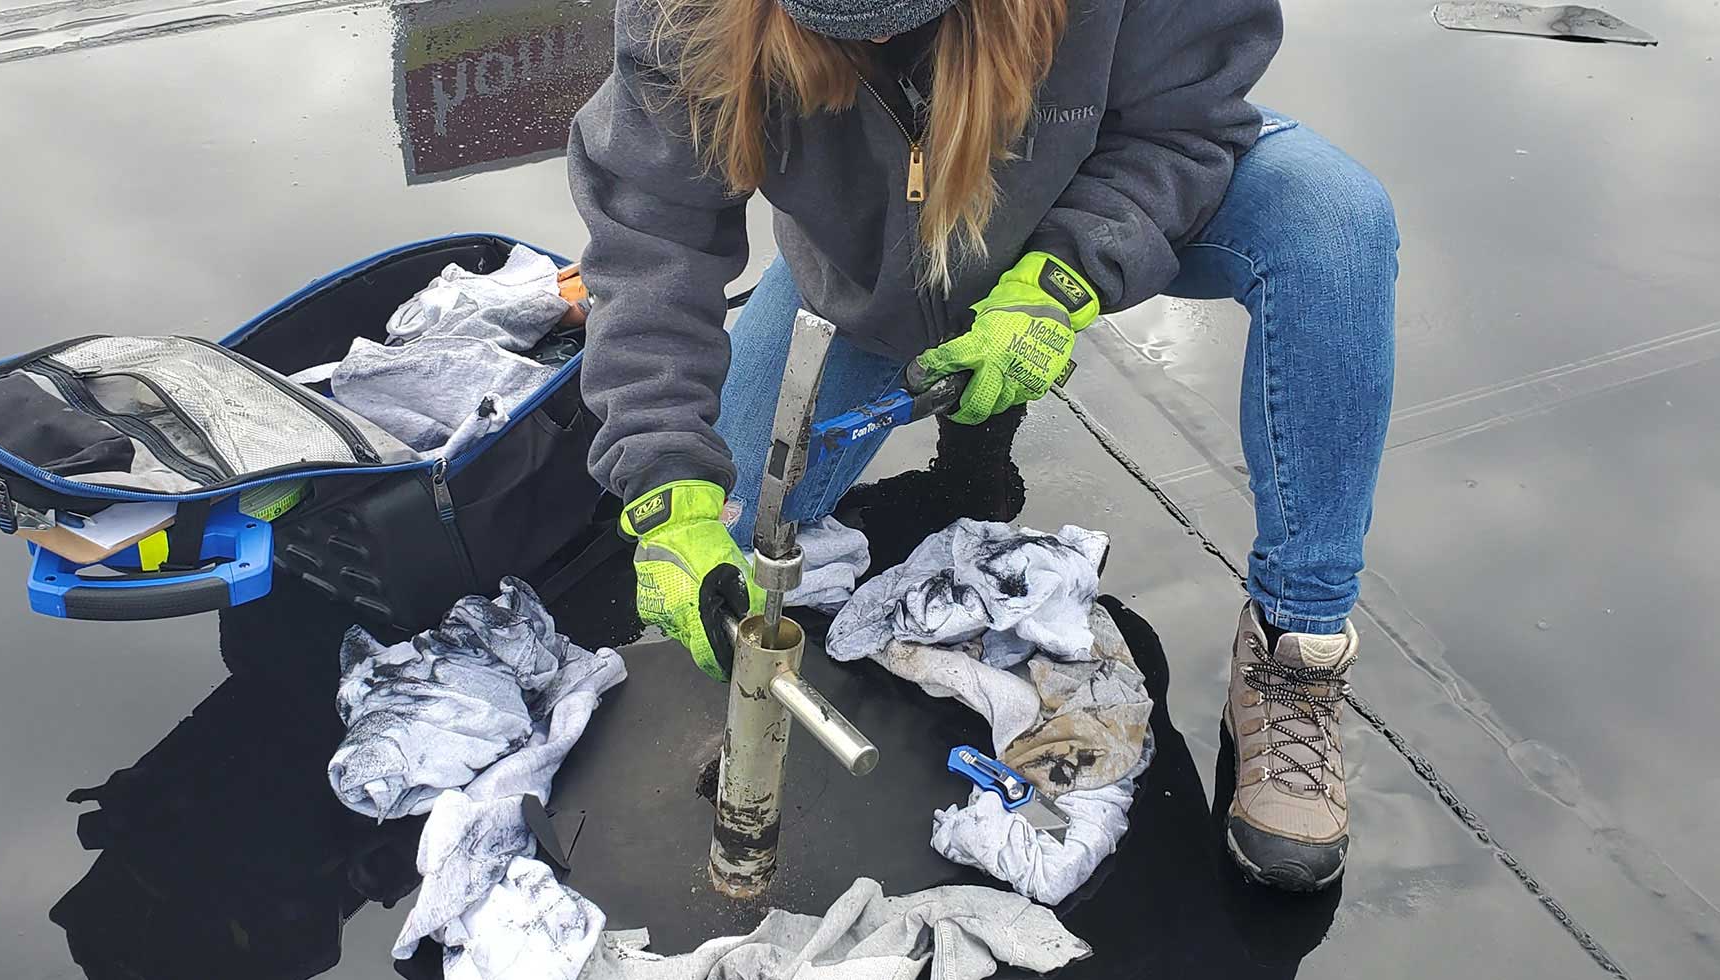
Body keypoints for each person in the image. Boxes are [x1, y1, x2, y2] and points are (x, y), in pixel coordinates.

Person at [567, 0, 1396, 892]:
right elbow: (652, 236)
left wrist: (1063, 276)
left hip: (1094, 190)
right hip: (879, 266)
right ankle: (927, 326)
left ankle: (1294, 646)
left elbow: (1180, 121)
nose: (879, 40)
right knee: (719, 549)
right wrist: (665, 479)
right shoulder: (685, 13)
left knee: (1332, 223)